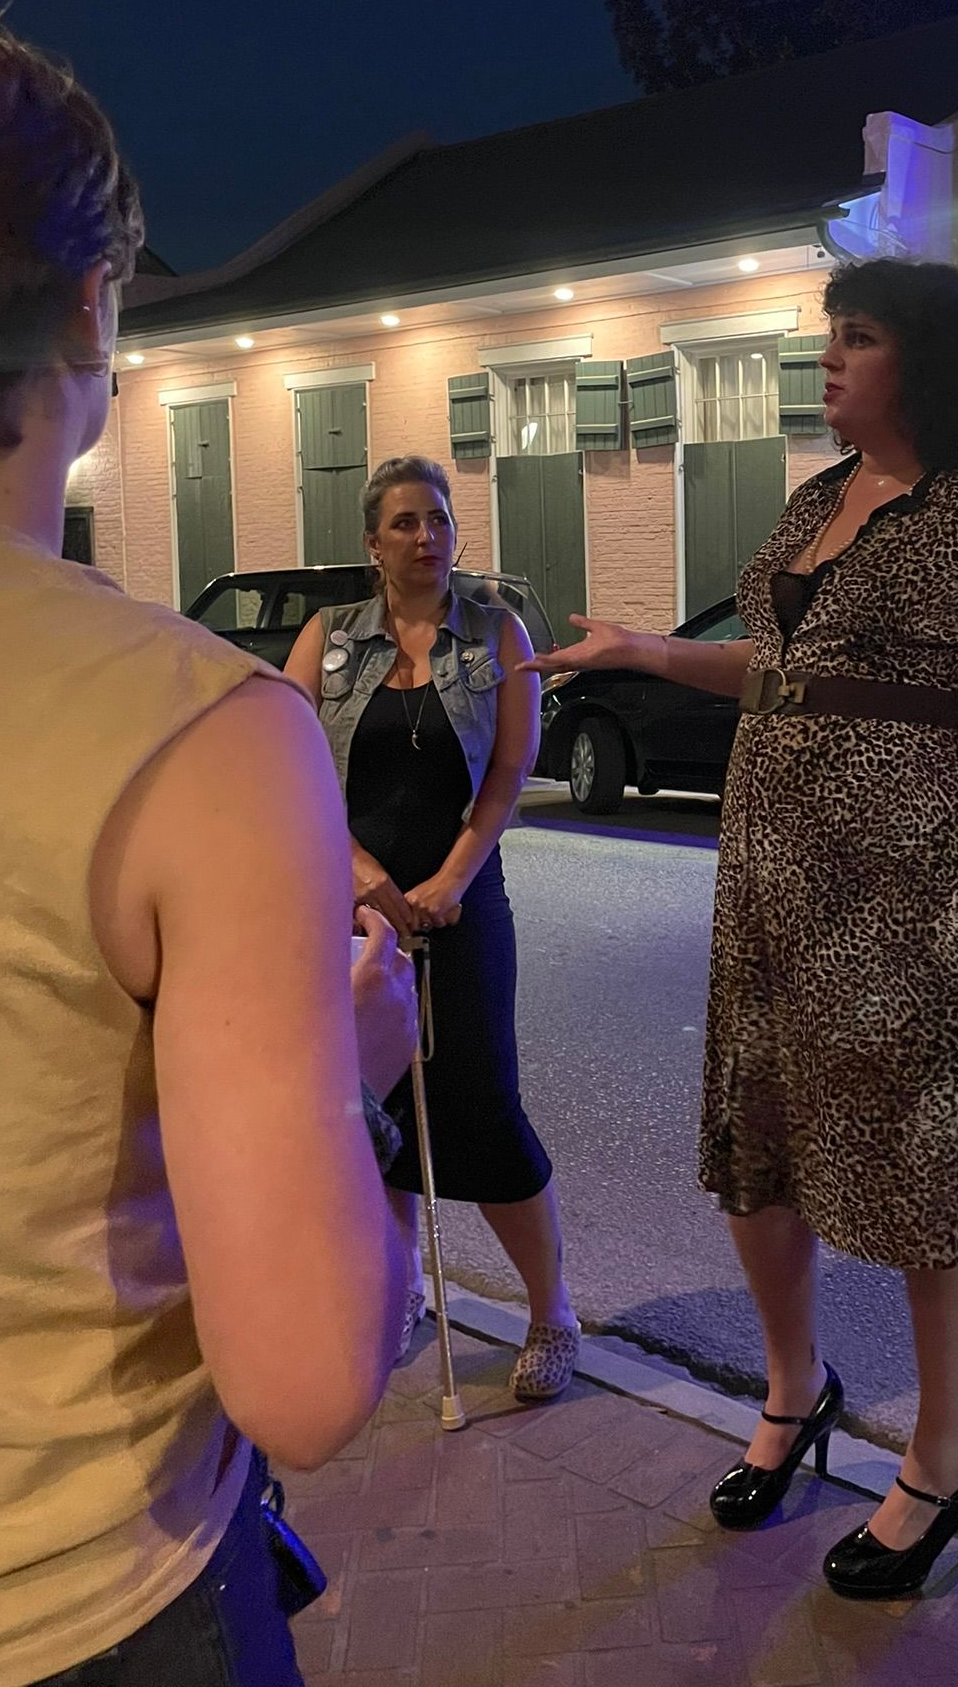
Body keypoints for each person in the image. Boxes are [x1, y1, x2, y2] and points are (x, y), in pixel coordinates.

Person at [0, 15, 418, 1687]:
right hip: (71, 1602)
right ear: (88, 306)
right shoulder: (194, 730)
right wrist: (351, 1069)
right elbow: (302, 1374)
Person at [525, 258, 958, 1598]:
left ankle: (943, 1461)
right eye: (827, 337)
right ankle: (796, 1393)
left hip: (925, 889)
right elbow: (781, 666)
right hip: (777, 878)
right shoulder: (816, 502)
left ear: (932, 365)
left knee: (924, 1160)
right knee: (760, 1142)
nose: (827, 360)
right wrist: (647, 654)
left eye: (859, 340)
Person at [285, 456, 580, 1401]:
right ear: (373, 542)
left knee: (483, 1110)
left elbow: (509, 774)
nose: (428, 538)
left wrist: (451, 878)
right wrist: (366, 881)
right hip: (354, 916)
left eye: (440, 520)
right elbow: (289, 759)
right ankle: (403, 1289)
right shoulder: (329, 637)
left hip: (462, 907)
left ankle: (552, 1313)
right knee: (378, 1111)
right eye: (407, 522)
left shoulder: (494, 633)